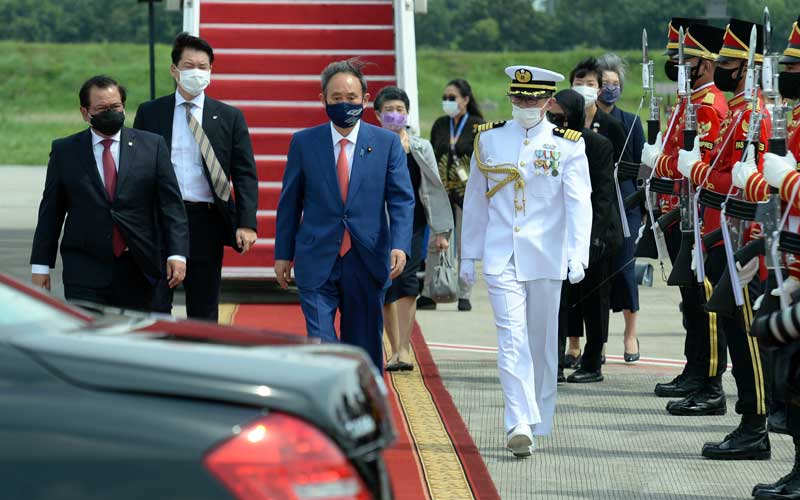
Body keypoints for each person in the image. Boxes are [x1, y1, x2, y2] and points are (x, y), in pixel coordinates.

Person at [460, 65, 592, 457]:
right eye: (518, 97)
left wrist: (576, 253)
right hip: (502, 256)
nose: (524, 105)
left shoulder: (568, 144)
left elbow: (578, 203)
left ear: (548, 102)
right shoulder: (490, 140)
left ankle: (538, 418)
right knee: (512, 339)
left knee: (541, 343)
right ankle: (517, 421)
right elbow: (474, 201)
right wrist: (469, 253)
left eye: (532, 99)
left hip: (546, 255)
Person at [274, 59, 415, 372]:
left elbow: (401, 200)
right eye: (336, 98)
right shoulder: (303, 142)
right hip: (316, 255)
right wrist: (283, 254)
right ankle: (328, 411)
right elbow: (289, 202)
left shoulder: (386, 143)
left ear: (365, 100)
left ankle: (363, 412)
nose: (344, 104)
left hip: (366, 258)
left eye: (351, 98)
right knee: (321, 343)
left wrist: (400, 245)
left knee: (363, 346)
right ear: (322, 99)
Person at [676, 18, 772, 460]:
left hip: (739, 235)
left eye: (730, 62)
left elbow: (751, 184)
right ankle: (748, 421)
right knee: (732, 328)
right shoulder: (738, 113)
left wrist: (695, 170)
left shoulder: (753, 115)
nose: (723, 69)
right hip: (719, 231)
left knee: (745, 334)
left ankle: (756, 425)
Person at [31, 75, 189, 310]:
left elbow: (171, 206)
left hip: (142, 265)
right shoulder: (65, 151)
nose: (110, 112)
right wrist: (40, 266)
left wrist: (177, 254)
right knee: (92, 341)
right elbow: (51, 212)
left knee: (143, 339)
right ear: (85, 113)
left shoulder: (152, 146)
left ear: (124, 107)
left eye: (115, 106)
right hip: (86, 270)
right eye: (101, 108)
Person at [133, 32, 259, 321]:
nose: (197, 72)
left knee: (203, 308)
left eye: (204, 66)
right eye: (189, 66)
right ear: (174, 70)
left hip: (206, 220)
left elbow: (244, 173)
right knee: (155, 303)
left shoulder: (229, 117)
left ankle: (201, 362)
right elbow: (137, 169)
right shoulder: (151, 112)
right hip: (160, 218)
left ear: (211, 71)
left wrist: (247, 223)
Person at [642, 21, 730, 408]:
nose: (677, 66)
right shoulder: (688, 102)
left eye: (685, 59)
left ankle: (709, 382)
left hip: (697, 212)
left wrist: (660, 161)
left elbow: (702, 163)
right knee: (689, 300)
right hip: (679, 211)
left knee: (704, 302)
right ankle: (695, 370)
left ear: (706, 66)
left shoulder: (709, 107)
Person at [373, 86, 453, 372]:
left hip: (412, 225)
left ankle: (405, 349)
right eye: (389, 110)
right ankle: (393, 347)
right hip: (377, 224)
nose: (395, 115)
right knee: (384, 284)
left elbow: (434, 189)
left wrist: (442, 230)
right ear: (378, 114)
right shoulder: (370, 145)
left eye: (400, 110)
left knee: (407, 283)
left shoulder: (421, 147)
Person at [563, 57, 632, 367]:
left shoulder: (610, 129)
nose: (586, 89)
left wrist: (595, 233)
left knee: (596, 294)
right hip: (567, 223)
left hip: (598, 224)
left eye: (592, 83)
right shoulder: (561, 128)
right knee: (569, 294)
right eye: (581, 83)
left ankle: (595, 353)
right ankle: (570, 347)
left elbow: (611, 185)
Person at [549, 89, 619, 384]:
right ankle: (554, 363)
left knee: (594, 301)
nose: (556, 118)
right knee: (558, 301)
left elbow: (603, 196)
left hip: (596, 233)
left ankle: (593, 362)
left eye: (562, 112)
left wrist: (593, 238)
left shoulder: (597, 144)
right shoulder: (548, 144)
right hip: (558, 233)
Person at [418, 79, 485, 312]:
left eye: (452, 97)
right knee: (436, 243)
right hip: (442, 193)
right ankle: (429, 292)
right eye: (445, 97)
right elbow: (433, 157)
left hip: (468, 194)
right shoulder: (440, 125)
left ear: (465, 100)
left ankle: (464, 293)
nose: (447, 102)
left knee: (465, 245)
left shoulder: (477, 125)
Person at [596, 53, 644, 361]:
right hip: (598, 205)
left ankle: (630, 335)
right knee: (596, 276)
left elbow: (642, 168)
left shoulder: (632, 121)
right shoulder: (587, 119)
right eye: (605, 83)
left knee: (625, 271)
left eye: (615, 84)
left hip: (626, 205)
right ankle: (594, 342)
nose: (610, 88)